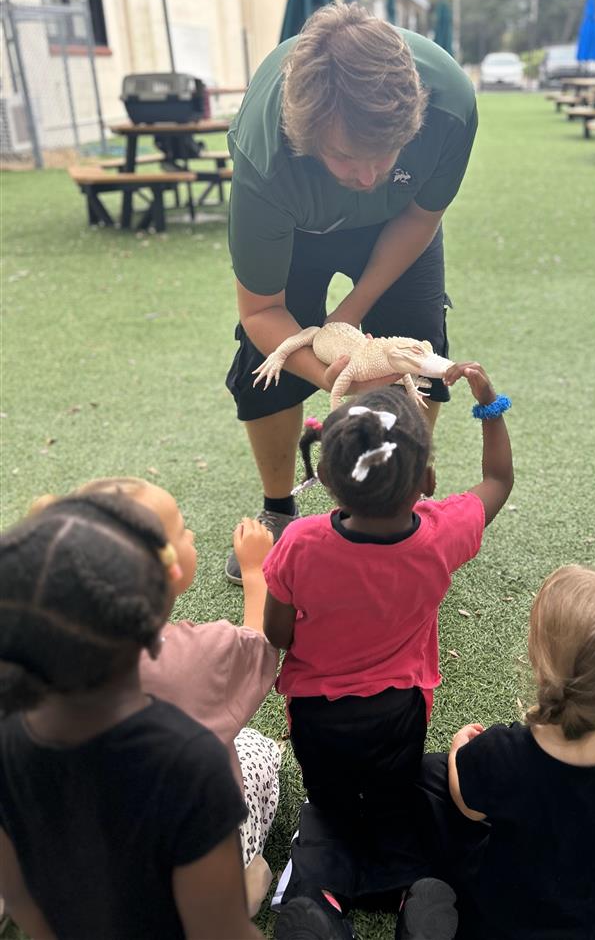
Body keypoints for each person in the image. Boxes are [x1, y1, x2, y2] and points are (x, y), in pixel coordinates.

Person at [224, 2, 479, 582]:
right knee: (267, 358)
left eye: (384, 155)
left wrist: (351, 315)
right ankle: (280, 506)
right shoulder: (265, 156)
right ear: (306, 137)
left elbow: (418, 217)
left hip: (399, 225)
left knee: (418, 345)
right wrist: (334, 375)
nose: (367, 178)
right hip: (299, 227)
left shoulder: (450, 107)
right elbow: (264, 310)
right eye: (345, 157)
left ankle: (395, 500)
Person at [263, 364, 513, 938]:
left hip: (317, 714)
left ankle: (320, 903)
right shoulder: (441, 534)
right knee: (394, 798)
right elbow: (498, 480)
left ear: (324, 475)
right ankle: (412, 898)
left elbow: (279, 636)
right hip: (400, 708)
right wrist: (489, 406)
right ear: (426, 481)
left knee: (327, 805)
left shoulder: (299, 543)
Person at [0, 491, 260, 940]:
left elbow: (22, 895)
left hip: (69, 896)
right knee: (258, 769)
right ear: (162, 583)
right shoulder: (192, 761)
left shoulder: (9, 732)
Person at [76, 476, 282, 917]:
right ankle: (244, 886)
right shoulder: (195, 654)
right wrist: (255, 571)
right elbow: (259, 642)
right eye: (182, 530)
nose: (190, 535)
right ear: (170, 569)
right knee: (261, 751)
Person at [445, 564, 595, 940]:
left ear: (545, 671)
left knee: (430, 781)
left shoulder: (502, 756)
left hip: (508, 921)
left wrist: (459, 750)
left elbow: (469, 807)